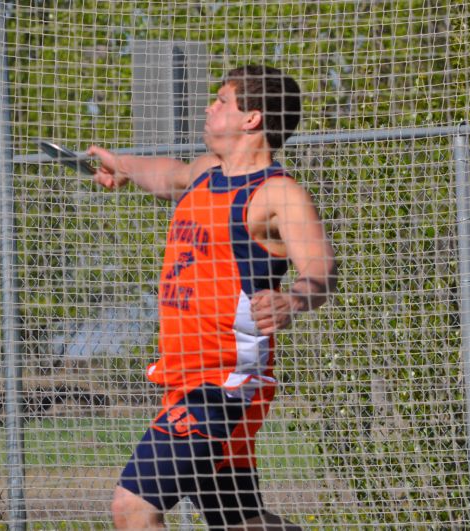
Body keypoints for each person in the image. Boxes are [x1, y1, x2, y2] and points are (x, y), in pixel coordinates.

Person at [87, 65, 337, 530]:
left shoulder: (276, 193)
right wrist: (121, 165)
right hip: (186, 380)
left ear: (251, 119)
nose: (209, 107)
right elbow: (168, 175)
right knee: (239, 520)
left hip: (225, 387)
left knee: (132, 507)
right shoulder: (205, 174)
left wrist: (293, 301)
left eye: (222, 100)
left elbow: (321, 268)